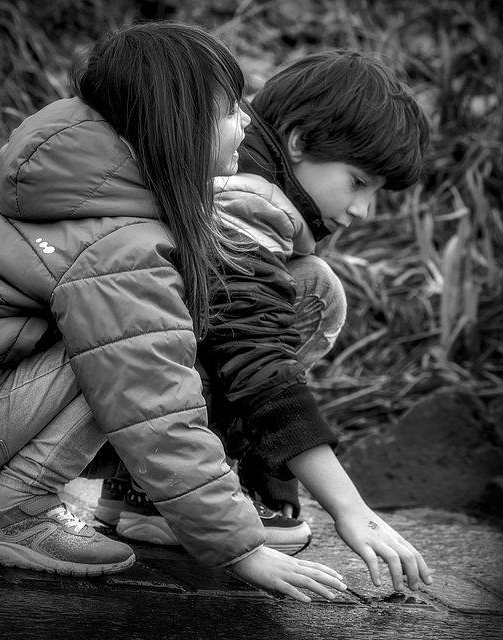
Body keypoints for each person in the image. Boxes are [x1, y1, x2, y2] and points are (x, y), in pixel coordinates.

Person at [0, 22, 350, 603]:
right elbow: (150, 394)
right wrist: (239, 549)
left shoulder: (92, 175)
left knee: (151, 325)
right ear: (180, 121)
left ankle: (131, 499)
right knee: (135, 344)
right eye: (229, 108)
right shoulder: (120, 238)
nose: (247, 121)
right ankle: (11, 508)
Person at [94, 48, 434, 595]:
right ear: (299, 141)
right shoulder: (245, 194)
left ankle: (150, 488)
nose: (362, 212)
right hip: (69, 371)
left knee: (310, 284)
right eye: (357, 182)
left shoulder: (246, 174)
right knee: (306, 292)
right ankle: (158, 491)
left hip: (105, 367)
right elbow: (253, 354)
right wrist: (352, 509)